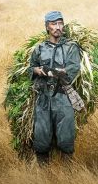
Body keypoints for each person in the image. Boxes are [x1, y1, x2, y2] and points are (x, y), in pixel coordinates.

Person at [28, 11, 81, 166]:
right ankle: (43, 175)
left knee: (66, 138)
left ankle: (67, 174)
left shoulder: (71, 47)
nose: (58, 27)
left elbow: (72, 69)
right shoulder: (39, 48)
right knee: (41, 139)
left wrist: (49, 71)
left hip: (63, 96)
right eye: (53, 24)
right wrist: (37, 71)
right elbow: (32, 67)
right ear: (47, 27)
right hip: (43, 98)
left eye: (60, 23)